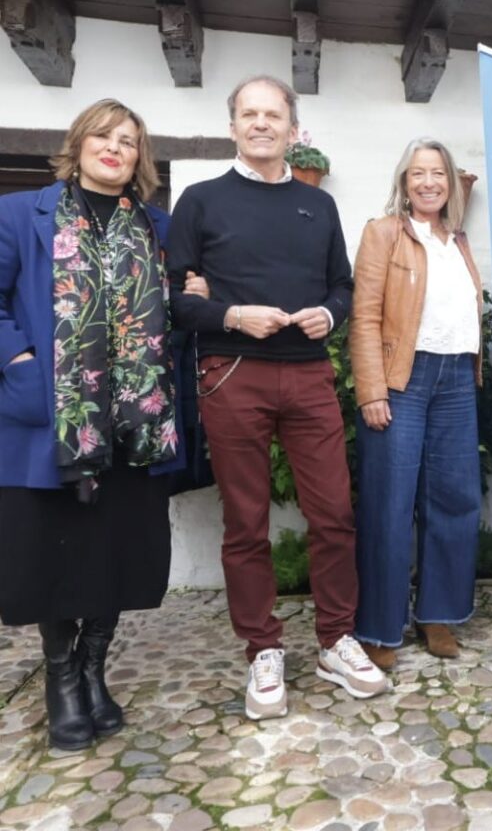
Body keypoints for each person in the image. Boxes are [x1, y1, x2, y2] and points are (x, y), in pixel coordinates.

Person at [166, 75, 387, 720]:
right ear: (232, 126)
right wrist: (233, 316)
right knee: (246, 521)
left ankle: (336, 640)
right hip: (233, 373)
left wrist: (329, 313)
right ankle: (262, 649)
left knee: (334, 515)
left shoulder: (317, 206)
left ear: (293, 129)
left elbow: (343, 286)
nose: (261, 123)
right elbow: (173, 300)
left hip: (309, 374)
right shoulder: (200, 201)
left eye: (273, 114)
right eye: (249, 114)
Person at [0, 99, 205, 750]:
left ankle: (94, 670)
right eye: (104, 135)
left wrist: (190, 302)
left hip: (134, 422)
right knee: (57, 551)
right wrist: (20, 362)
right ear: (79, 141)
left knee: (114, 550)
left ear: (140, 158)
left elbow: (176, 308)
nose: (115, 147)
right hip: (56, 420)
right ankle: (62, 681)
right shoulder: (20, 214)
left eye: (129, 140)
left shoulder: (158, 226)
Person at [350, 137, 483, 669]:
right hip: (403, 378)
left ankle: (437, 614)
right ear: (404, 183)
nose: (429, 182)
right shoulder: (383, 233)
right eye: (418, 174)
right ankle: (380, 626)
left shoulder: (458, 240)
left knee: (454, 498)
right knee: (389, 501)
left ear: (451, 184)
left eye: (438, 174)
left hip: (457, 378)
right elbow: (364, 315)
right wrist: (372, 388)